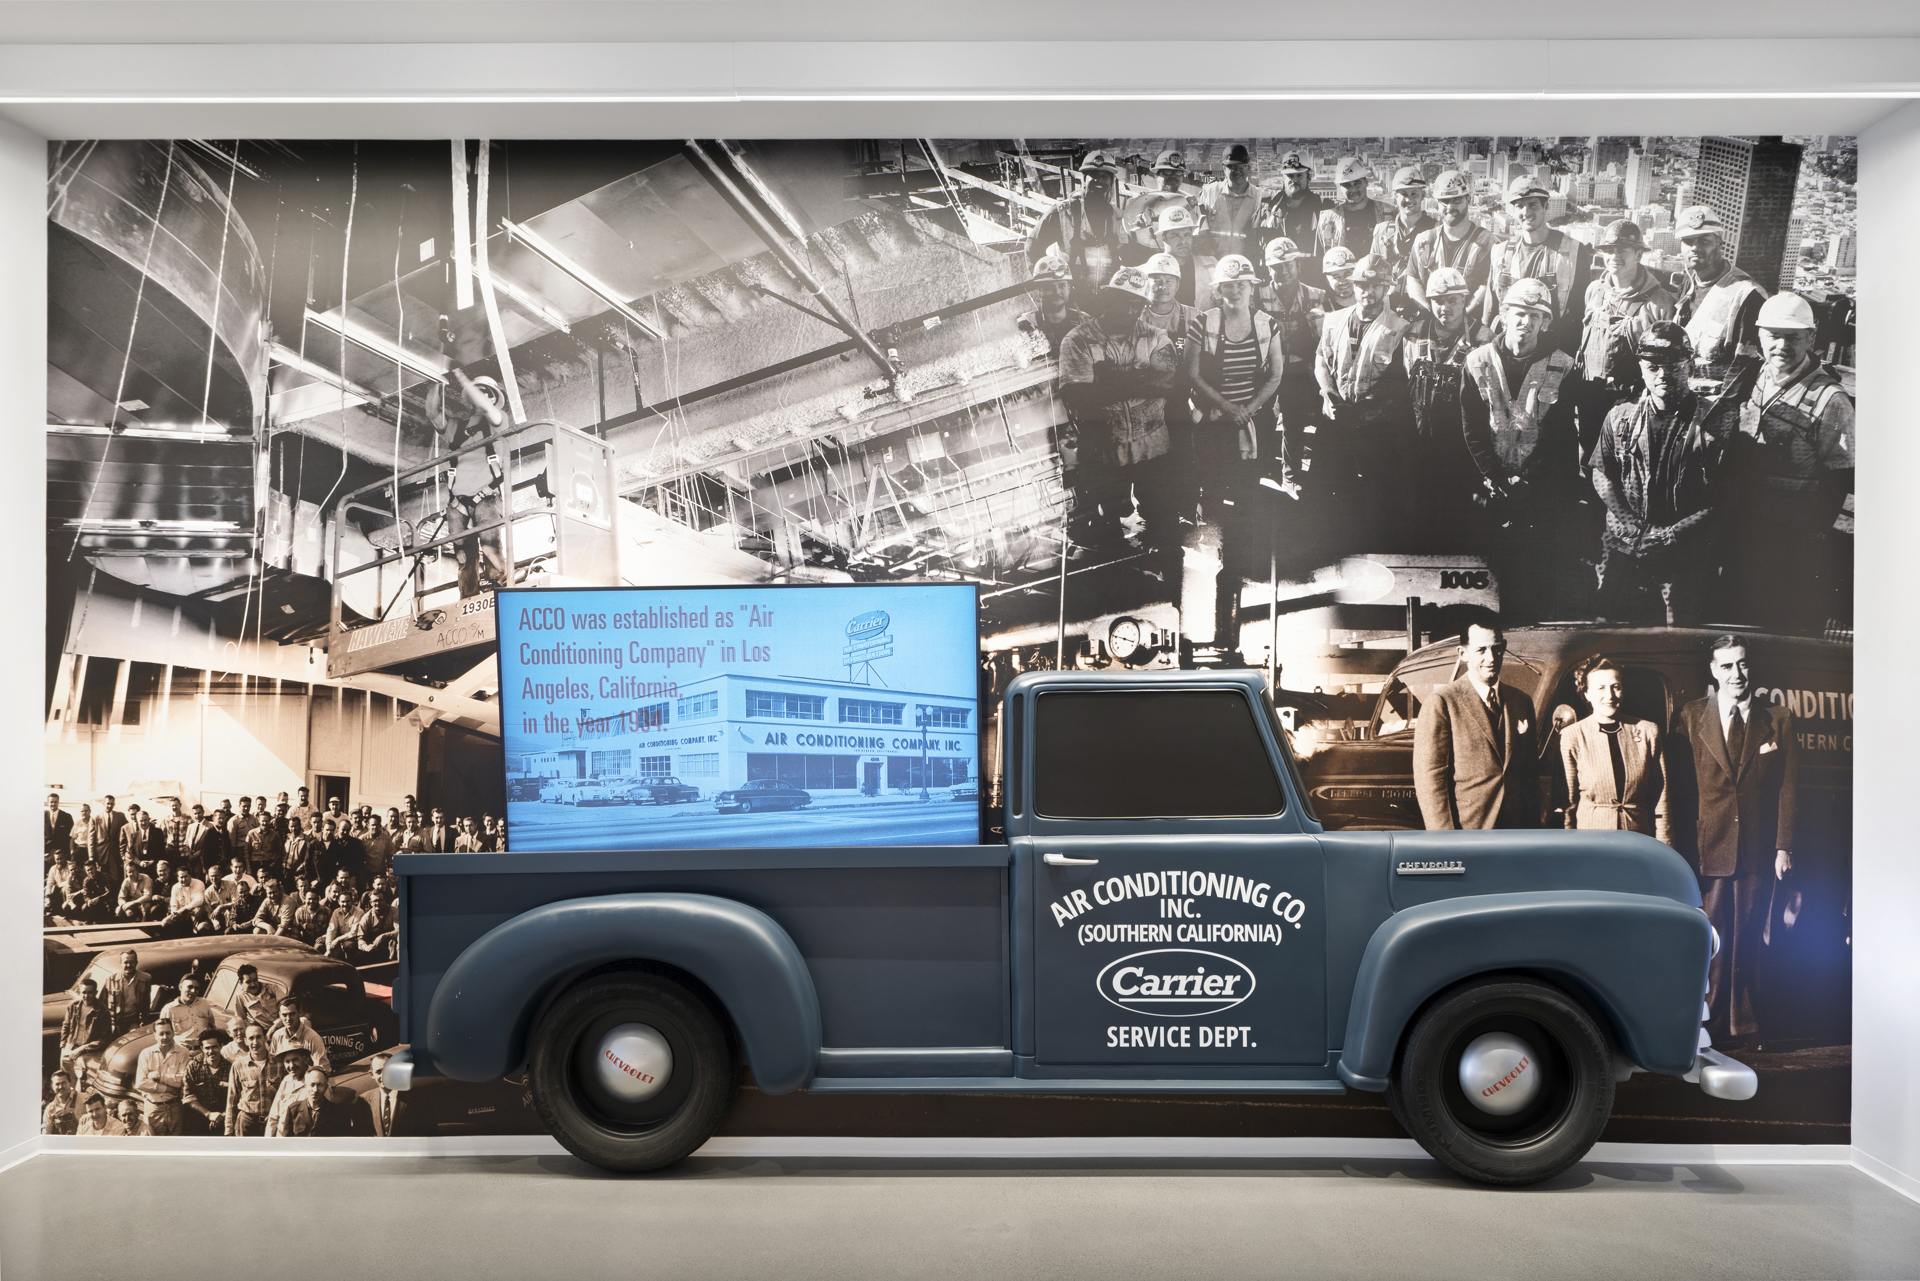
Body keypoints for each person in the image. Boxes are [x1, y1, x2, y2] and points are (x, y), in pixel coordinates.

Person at [1669, 637, 1798, 1048]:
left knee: (1748, 938)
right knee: (1709, 936)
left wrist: (1783, 846)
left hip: (1757, 849)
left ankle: (1744, 1024)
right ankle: (1704, 1022)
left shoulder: (1777, 719)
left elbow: (1788, 789)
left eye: (1741, 665)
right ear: (1713, 670)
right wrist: (1681, 850)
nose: (1736, 675)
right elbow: (1680, 790)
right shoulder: (1690, 717)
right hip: (1708, 847)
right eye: (1726, 667)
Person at [1722, 291, 1855, 632]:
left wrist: (1816, 533)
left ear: (1811, 338)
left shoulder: (1831, 400)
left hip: (1792, 530)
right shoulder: (1754, 375)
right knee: (1736, 606)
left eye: (1793, 338)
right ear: (1760, 337)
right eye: (1773, 336)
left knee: (1779, 613)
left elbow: (1842, 473)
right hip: (1745, 517)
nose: (1781, 346)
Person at [1460, 278, 1583, 620]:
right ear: (1503, 314)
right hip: (1491, 487)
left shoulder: (1563, 366)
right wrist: (1496, 476)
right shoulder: (1477, 362)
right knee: (1489, 575)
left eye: (1535, 315)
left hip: (1538, 491)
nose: (1525, 322)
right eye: (1519, 313)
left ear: (1545, 323)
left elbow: (1561, 436)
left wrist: (1529, 481)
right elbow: (1471, 427)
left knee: (1538, 573)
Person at [1591, 323, 1725, 624]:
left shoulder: (1716, 422)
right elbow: (1601, 473)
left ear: (1688, 365)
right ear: (1641, 367)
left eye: (1673, 366)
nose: (1662, 375)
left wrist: (1668, 537)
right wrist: (1632, 525)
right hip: (1625, 544)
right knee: (1609, 625)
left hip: (1684, 553)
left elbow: (1725, 495)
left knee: (1676, 631)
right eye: (1653, 367)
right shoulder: (1621, 415)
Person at [1187, 254, 1287, 652]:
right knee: (1212, 490)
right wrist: (1227, 407)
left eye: (1241, 285)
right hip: (1213, 418)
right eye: (1228, 286)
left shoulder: (1267, 324)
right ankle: (1211, 561)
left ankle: (1241, 563)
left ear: (1252, 287)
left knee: (1245, 491)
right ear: (1219, 289)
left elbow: (1277, 373)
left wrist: (1249, 408)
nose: (1235, 291)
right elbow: (1191, 372)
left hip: (1250, 420)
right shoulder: (1204, 322)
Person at [1056, 266, 1180, 557]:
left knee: (1161, 522)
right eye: (1122, 300)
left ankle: (1164, 573)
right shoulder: (1077, 340)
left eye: (1137, 303)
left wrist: (1109, 380)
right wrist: (1142, 381)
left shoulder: (1156, 336)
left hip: (1153, 445)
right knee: (1106, 523)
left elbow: (1169, 382)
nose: (1129, 309)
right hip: (1104, 447)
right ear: (1108, 298)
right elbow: (1079, 398)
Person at [1412, 612, 1541, 830]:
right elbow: (1430, 779)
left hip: (1515, 831)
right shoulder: (1442, 702)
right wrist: (1445, 838)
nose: (1491, 658)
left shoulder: (1521, 701)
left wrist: (1532, 829)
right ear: (1463, 653)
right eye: (1481, 650)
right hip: (1468, 829)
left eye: (1496, 648)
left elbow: (1530, 774)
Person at [1312, 254, 1413, 529]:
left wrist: (1363, 412)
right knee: (1325, 485)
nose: (1367, 292)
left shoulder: (1399, 328)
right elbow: (1321, 360)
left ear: (1386, 288)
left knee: (1374, 491)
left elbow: (1396, 381)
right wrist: (1330, 397)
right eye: (1361, 285)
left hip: (1373, 424)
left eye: (1375, 285)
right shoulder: (1333, 320)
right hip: (1334, 417)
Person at [1576, 219, 1679, 459]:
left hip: (1631, 402)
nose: (1614, 256)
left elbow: (1668, 363)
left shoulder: (1660, 303)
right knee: (1589, 459)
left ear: (1639, 254)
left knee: (1624, 463)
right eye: (1609, 251)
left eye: (1622, 250)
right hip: (1590, 396)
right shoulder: (1595, 291)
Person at [1405, 266, 1492, 537]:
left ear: (1464, 300)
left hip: (1461, 437)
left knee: (1458, 501)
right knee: (1420, 500)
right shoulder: (1414, 332)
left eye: (1453, 300)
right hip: (1419, 433)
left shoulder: (1483, 337)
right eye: (1438, 301)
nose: (1445, 307)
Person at [1560, 656, 1671, 843]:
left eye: (1615, 687)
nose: (1610, 696)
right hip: (1591, 845)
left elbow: (1661, 797)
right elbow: (1568, 805)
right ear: (1586, 693)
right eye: (1601, 688)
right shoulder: (1572, 736)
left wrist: (1666, 846)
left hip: (1638, 841)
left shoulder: (1647, 731)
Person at [1483, 175, 1590, 356]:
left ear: (1546, 207)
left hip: (1554, 349)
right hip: (1509, 350)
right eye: (1519, 206)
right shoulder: (1500, 252)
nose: (1526, 212)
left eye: (1533, 205)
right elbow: (1491, 307)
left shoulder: (1574, 252)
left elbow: (1580, 311)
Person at [1675, 205, 1768, 409]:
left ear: (1720, 242)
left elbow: (1748, 367)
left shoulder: (1747, 294)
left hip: (1717, 407)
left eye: (1704, 240)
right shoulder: (1689, 281)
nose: (1695, 247)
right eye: (1688, 241)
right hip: (1682, 398)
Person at [1025, 149, 1127, 302]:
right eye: (1093, 175)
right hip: (1071, 301)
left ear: (1112, 181)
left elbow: (1129, 255)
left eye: (1105, 176)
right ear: (1083, 179)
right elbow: (1032, 247)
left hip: (1107, 302)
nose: (1099, 180)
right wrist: (1050, 287)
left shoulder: (1118, 217)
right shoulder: (1062, 214)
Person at [1405, 169, 1495, 320]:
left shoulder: (1488, 243)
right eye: (1444, 201)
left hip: (1469, 326)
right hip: (1430, 324)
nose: (1450, 207)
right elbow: (1413, 279)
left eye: (1457, 200)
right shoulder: (1423, 241)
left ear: (1469, 199)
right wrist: (1430, 312)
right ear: (1437, 204)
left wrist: (1457, 318)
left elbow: (1486, 287)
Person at [1256, 151, 1328, 288]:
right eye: (1290, 175)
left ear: (1309, 177)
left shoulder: (1323, 208)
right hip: (1278, 283)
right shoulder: (1269, 209)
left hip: (1313, 283)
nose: (1294, 180)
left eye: (1299, 175)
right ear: (1283, 178)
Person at [1367, 166, 1436, 297]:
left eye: (1414, 193)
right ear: (1395, 197)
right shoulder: (1382, 232)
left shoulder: (1436, 231)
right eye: (1403, 194)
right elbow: (1372, 274)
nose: (1408, 199)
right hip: (1388, 306)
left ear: (1423, 195)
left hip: (1423, 305)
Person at [1316, 157, 1392, 266]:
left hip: (1377, 279)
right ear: (1340, 188)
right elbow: (1320, 260)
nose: (1352, 189)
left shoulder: (1389, 214)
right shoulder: (1327, 219)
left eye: (1357, 183)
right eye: (1347, 185)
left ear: (1366, 182)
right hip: (1343, 279)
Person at [1194, 143, 1260, 262]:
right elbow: (1200, 230)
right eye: (1232, 167)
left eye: (1242, 167)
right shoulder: (1209, 193)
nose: (1238, 171)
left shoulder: (1258, 197)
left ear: (1248, 169)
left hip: (1244, 264)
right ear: (1224, 169)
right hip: (1213, 262)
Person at [1121, 150, 1194, 254]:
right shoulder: (1140, 203)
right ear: (1157, 175)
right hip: (1148, 254)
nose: (1173, 176)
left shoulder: (1190, 203)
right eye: (1167, 172)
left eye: (1178, 173)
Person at [1016, 254, 1087, 361]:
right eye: (1049, 287)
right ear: (1039, 291)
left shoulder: (1084, 322)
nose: (1057, 292)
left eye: (1062, 286)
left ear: (1069, 288)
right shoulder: (1026, 325)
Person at [1148, 204, 1216, 311]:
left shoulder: (1211, 265)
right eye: (1175, 235)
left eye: (1187, 235)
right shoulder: (1150, 269)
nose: (1183, 241)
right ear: (1164, 238)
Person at [135, 1018, 191, 1136]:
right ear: (155, 1035)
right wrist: (168, 1088)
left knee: (175, 1145)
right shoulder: (146, 1053)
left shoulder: (183, 1052)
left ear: (173, 1033)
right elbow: (140, 1083)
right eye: (161, 1034)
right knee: (154, 1145)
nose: (165, 1037)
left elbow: (182, 1080)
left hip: (175, 1107)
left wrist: (159, 1077)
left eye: (168, 1033)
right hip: (153, 1108)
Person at [224, 1023, 274, 1136]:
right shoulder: (238, 1066)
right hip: (247, 1123)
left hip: (272, 1122)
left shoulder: (279, 1063)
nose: (255, 1043)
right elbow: (232, 1099)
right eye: (251, 1038)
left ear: (265, 1038)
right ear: (246, 1041)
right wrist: (228, 1129)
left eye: (259, 1037)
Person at [182, 1030, 230, 1135]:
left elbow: (236, 1096)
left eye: (214, 1047)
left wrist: (222, 1116)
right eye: (207, 1048)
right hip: (198, 1117)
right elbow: (188, 1096)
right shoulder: (193, 1066)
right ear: (202, 1049)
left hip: (224, 1118)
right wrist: (208, 1114)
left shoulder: (230, 1068)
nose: (211, 1051)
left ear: (221, 1046)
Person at [60, 978, 111, 1074]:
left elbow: (105, 1039)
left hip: (89, 1052)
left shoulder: (102, 1011)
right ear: (79, 992)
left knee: (82, 1079)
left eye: (90, 993)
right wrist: (63, 1045)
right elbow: (66, 1025)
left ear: (95, 992)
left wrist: (83, 1048)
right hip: (70, 1046)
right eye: (84, 992)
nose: (86, 996)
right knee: (66, 1077)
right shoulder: (73, 1006)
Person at [101, 949, 153, 1038]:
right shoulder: (110, 979)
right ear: (120, 963)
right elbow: (102, 1003)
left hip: (133, 1021)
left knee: (135, 1040)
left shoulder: (145, 978)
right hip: (114, 1022)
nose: (129, 965)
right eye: (125, 962)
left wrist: (143, 1021)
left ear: (136, 962)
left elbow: (146, 1003)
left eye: (132, 962)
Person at [158, 973, 218, 1046]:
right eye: (190, 987)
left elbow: (212, 1026)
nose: (193, 991)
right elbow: (163, 1035)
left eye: (196, 988)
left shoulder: (204, 1004)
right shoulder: (169, 1009)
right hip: (182, 1051)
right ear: (180, 987)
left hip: (204, 1049)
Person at [227, 963, 283, 1035]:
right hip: (263, 1033)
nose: (253, 984)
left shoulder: (272, 988)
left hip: (283, 1027)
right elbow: (240, 1021)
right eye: (248, 982)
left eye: (255, 980)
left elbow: (286, 1008)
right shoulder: (240, 996)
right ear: (241, 983)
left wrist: (275, 1027)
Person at [43, 1070, 78, 1136]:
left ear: (70, 1083)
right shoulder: (50, 1109)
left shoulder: (82, 1099)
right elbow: (46, 1133)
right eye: (57, 1084)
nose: (60, 1087)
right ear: (52, 1086)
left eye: (63, 1083)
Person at [45, 792, 73, 862]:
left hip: (61, 852)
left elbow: (69, 837)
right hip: (45, 851)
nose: (53, 804)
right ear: (48, 803)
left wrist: (59, 850)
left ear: (58, 802)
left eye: (55, 802)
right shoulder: (42, 816)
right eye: (51, 802)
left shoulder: (66, 817)